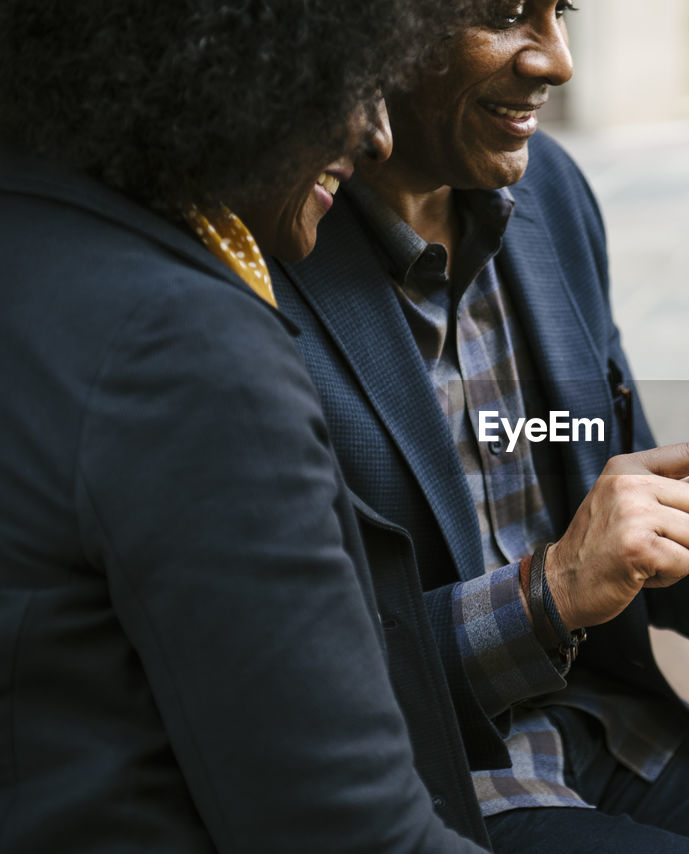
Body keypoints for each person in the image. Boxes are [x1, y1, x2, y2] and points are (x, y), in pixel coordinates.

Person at [271, 1, 689, 851]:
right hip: (433, 792)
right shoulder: (267, 255)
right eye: (510, 16)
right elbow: (283, 679)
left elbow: (611, 515)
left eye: (564, 11)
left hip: (614, 733)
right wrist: (545, 593)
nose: (559, 62)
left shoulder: (550, 189)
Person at [0, 1, 491, 851]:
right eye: (346, 77)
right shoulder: (183, 348)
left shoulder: (40, 234)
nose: (375, 132)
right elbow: (350, 832)